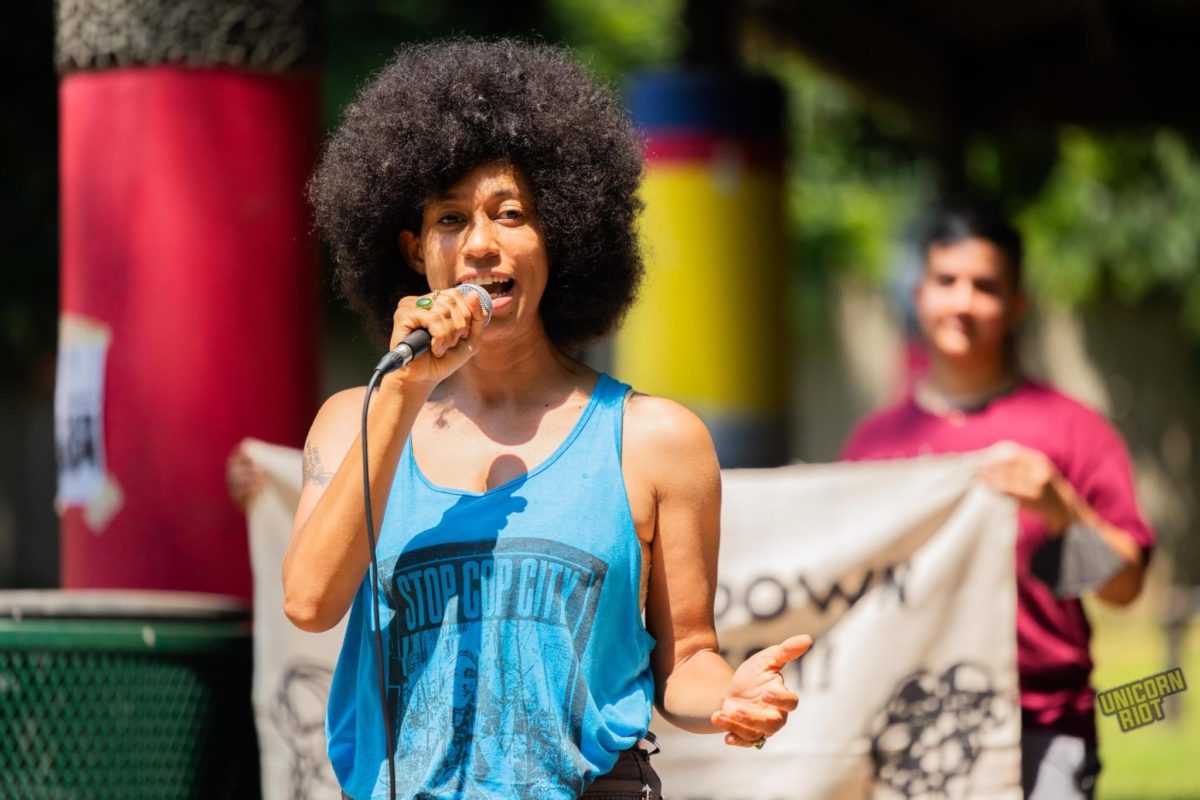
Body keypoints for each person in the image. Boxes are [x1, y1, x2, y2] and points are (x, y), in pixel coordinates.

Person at [282, 39, 811, 800]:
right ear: (413, 247)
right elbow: (308, 602)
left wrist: (727, 697)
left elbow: (688, 657)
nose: (481, 246)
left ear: (558, 235)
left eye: (511, 214)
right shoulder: (354, 419)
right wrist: (404, 390)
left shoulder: (656, 440)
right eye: (450, 218)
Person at [842, 207, 1154, 799]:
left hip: (1040, 731)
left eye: (984, 286)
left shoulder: (1073, 432)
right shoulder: (873, 444)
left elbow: (1125, 588)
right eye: (946, 281)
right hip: (901, 728)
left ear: (1016, 305)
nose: (962, 302)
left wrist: (1064, 509)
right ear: (919, 295)